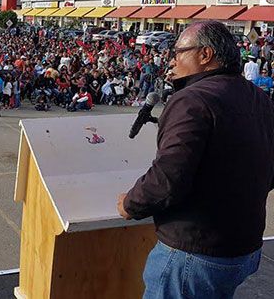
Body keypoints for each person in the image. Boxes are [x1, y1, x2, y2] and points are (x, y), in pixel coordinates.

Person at [117, 21, 274, 299]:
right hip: (243, 246)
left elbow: (169, 176)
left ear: (205, 55)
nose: (172, 60)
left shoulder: (192, 99)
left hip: (193, 252)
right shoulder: (259, 99)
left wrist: (131, 203)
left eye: (178, 52)